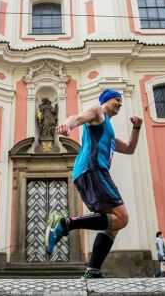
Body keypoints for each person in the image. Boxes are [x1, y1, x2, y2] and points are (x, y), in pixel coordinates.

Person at [46, 89, 143, 278]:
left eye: (121, 101)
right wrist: (67, 125)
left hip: (94, 172)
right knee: (121, 218)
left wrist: (137, 127)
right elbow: (78, 117)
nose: (120, 104)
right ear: (106, 100)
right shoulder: (98, 113)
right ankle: (64, 223)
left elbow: (130, 148)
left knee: (113, 224)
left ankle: (93, 269)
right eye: (117, 100)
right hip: (92, 170)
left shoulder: (109, 130)